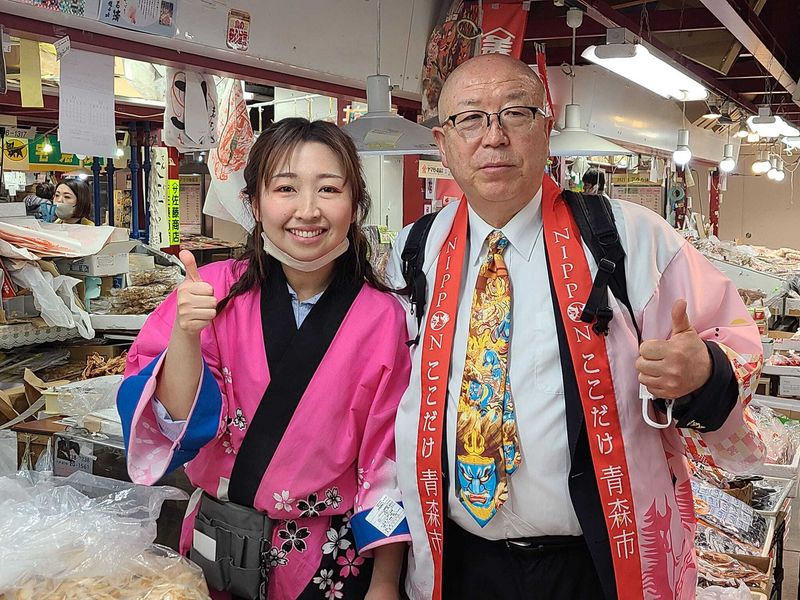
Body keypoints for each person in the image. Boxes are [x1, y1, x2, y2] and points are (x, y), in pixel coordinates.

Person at [386, 54, 765, 600]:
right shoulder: (414, 250)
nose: (493, 138)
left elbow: (734, 343)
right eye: (470, 118)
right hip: (458, 560)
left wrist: (704, 372)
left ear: (546, 128)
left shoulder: (629, 239)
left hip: (593, 563)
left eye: (514, 113)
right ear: (442, 144)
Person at [118, 119, 410, 600]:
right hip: (220, 549)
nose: (308, 210)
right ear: (254, 202)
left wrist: (384, 581)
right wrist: (186, 335)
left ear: (355, 204)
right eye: (286, 188)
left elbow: (387, 462)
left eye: (330, 189)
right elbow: (171, 424)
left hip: (331, 559)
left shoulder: (384, 318)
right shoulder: (210, 293)